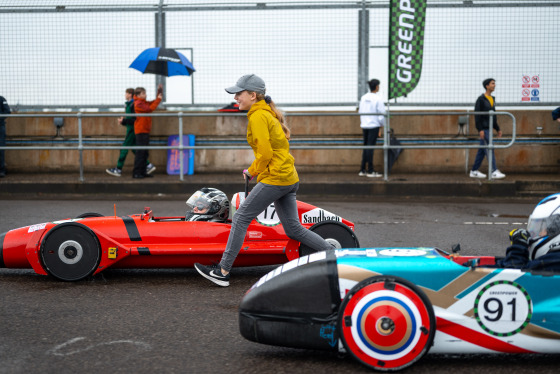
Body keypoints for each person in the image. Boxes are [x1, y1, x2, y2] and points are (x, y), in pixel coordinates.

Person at [194, 74, 333, 287]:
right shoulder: (266, 113)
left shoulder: (258, 116)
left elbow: (266, 154)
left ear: (253, 95)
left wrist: (251, 170)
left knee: (240, 218)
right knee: (293, 229)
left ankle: (222, 271)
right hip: (288, 177)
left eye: (239, 94)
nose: (236, 98)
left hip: (276, 177)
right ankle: (333, 255)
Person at [496, 193, 560, 271]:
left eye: (543, 229)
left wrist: (519, 246)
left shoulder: (554, 261)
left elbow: (513, 275)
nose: (539, 234)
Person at [106, 88, 155, 177]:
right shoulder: (130, 104)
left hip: (133, 130)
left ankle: (118, 169)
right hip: (132, 129)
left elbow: (134, 119)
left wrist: (124, 121)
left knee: (124, 148)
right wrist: (124, 121)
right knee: (135, 149)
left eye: (126, 93)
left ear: (130, 94)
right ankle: (147, 165)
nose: (125, 95)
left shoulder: (133, 105)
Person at [469, 78, 506, 179]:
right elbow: (477, 116)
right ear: (487, 86)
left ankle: (474, 171)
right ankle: (494, 171)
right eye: (492, 83)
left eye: (494, 83)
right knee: (490, 149)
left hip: (489, 128)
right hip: (484, 129)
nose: (494, 85)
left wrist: (497, 128)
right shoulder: (480, 99)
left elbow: (493, 116)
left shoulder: (492, 99)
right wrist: (480, 129)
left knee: (482, 151)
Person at [132, 85, 162, 179]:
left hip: (145, 130)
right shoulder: (138, 103)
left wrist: (159, 94)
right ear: (138, 95)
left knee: (144, 153)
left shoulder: (142, 102)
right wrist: (158, 100)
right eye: (143, 93)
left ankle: (143, 172)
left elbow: (150, 104)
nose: (145, 95)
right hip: (141, 131)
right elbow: (149, 109)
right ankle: (137, 172)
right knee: (140, 153)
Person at [358, 79, 385, 178]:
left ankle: (362, 169)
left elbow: (360, 111)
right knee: (370, 147)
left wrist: (363, 121)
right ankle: (370, 170)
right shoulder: (378, 99)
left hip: (365, 125)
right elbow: (382, 114)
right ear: (377, 87)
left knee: (366, 147)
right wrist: (381, 125)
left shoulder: (363, 97)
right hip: (374, 125)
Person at [0, 95, 11, 178]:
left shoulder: (1, 99)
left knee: (1, 149)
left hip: (0, 127)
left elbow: (7, 112)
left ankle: (1, 170)